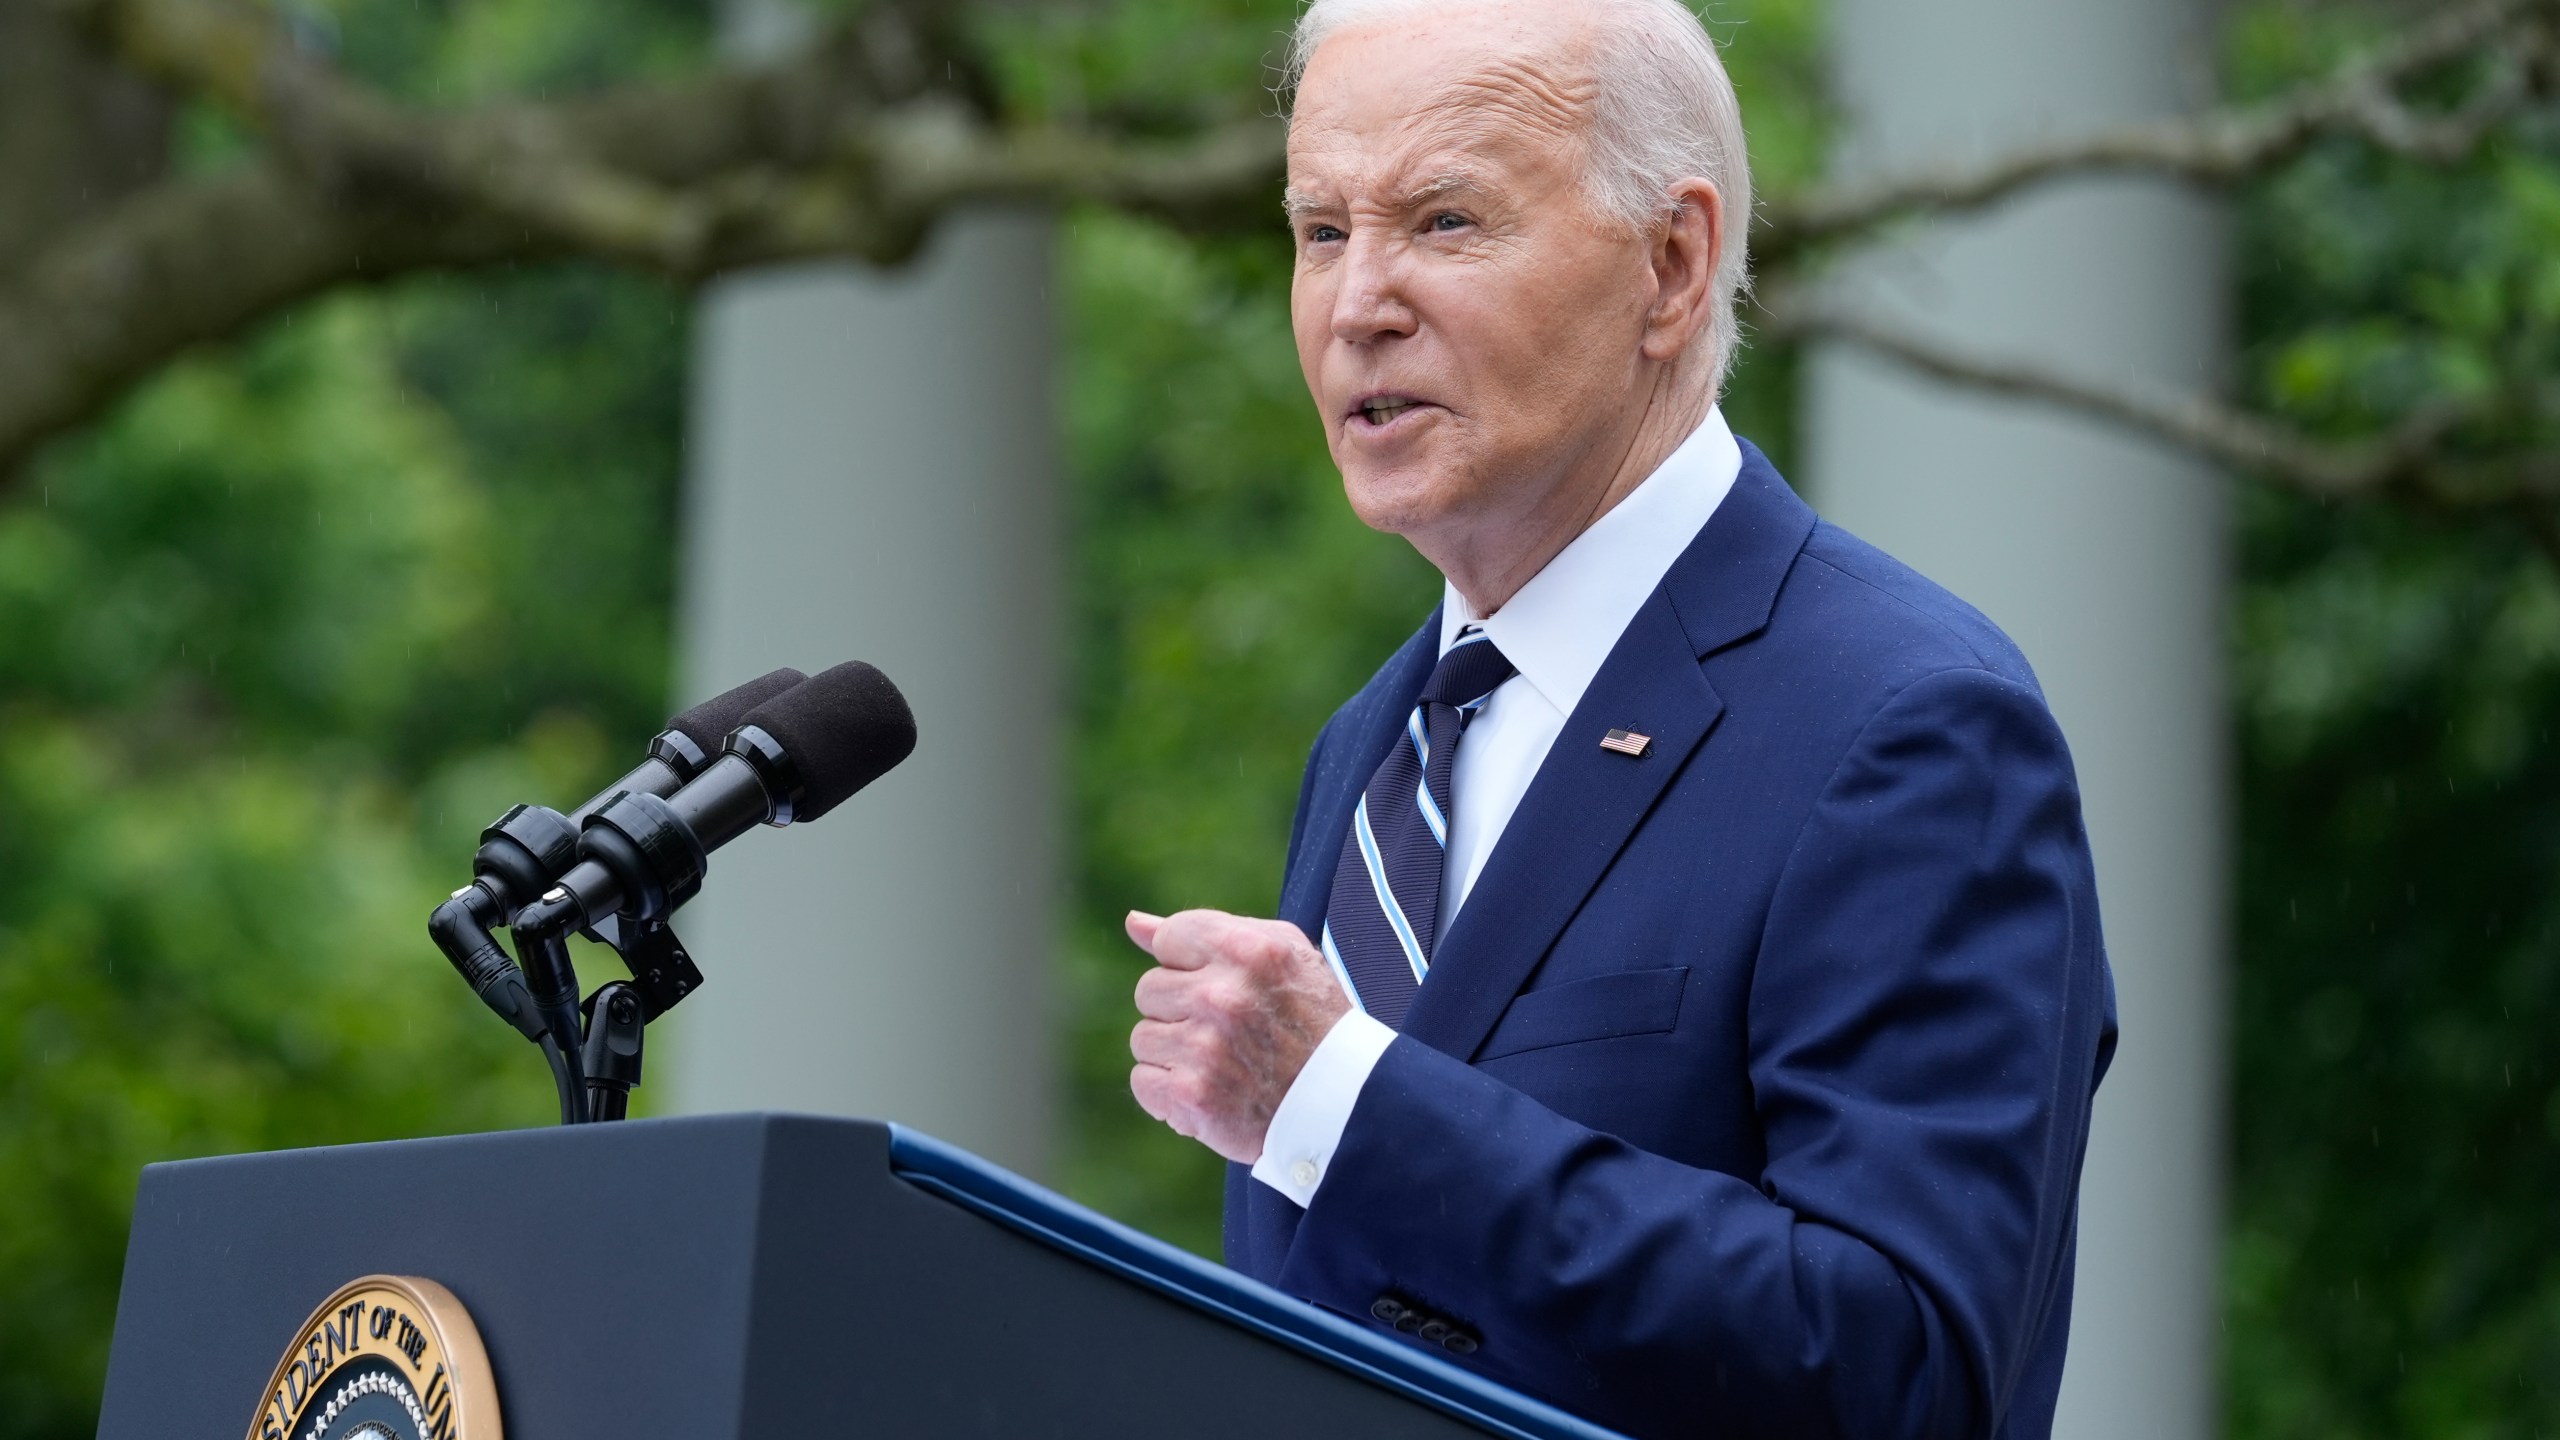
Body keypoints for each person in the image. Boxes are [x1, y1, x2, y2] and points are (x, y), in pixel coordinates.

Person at [1121, 1, 2118, 1435]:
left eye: (1446, 220)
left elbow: (1905, 1367)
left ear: (1672, 263)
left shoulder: (1911, 724)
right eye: (1323, 229)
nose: (1358, 304)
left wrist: (1352, 1103)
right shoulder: (1373, 745)